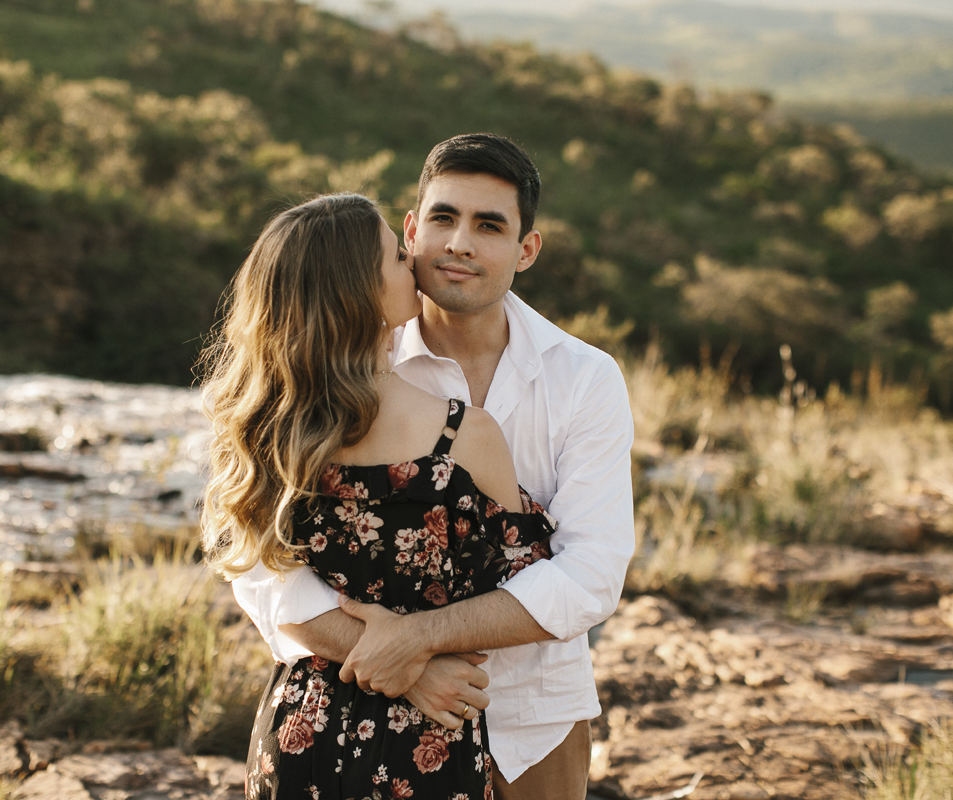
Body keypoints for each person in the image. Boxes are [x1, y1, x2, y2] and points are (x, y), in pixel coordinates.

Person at [232, 133, 635, 799]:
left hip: (535, 715)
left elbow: (591, 573)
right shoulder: (339, 366)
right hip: (363, 711)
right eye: (443, 218)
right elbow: (261, 566)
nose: (460, 244)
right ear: (413, 229)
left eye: (489, 226)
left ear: (525, 250)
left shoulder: (583, 378)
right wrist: (404, 667)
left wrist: (417, 640)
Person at [199, 191, 560, 799]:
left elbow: (264, 576)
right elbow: (525, 589)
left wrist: (395, 647)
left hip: (303, 730)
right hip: (428, 742)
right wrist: (417, 659)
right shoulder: (466, 436)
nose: (415, 266)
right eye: (398, 257)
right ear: (360, 291)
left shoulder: (270, 430)